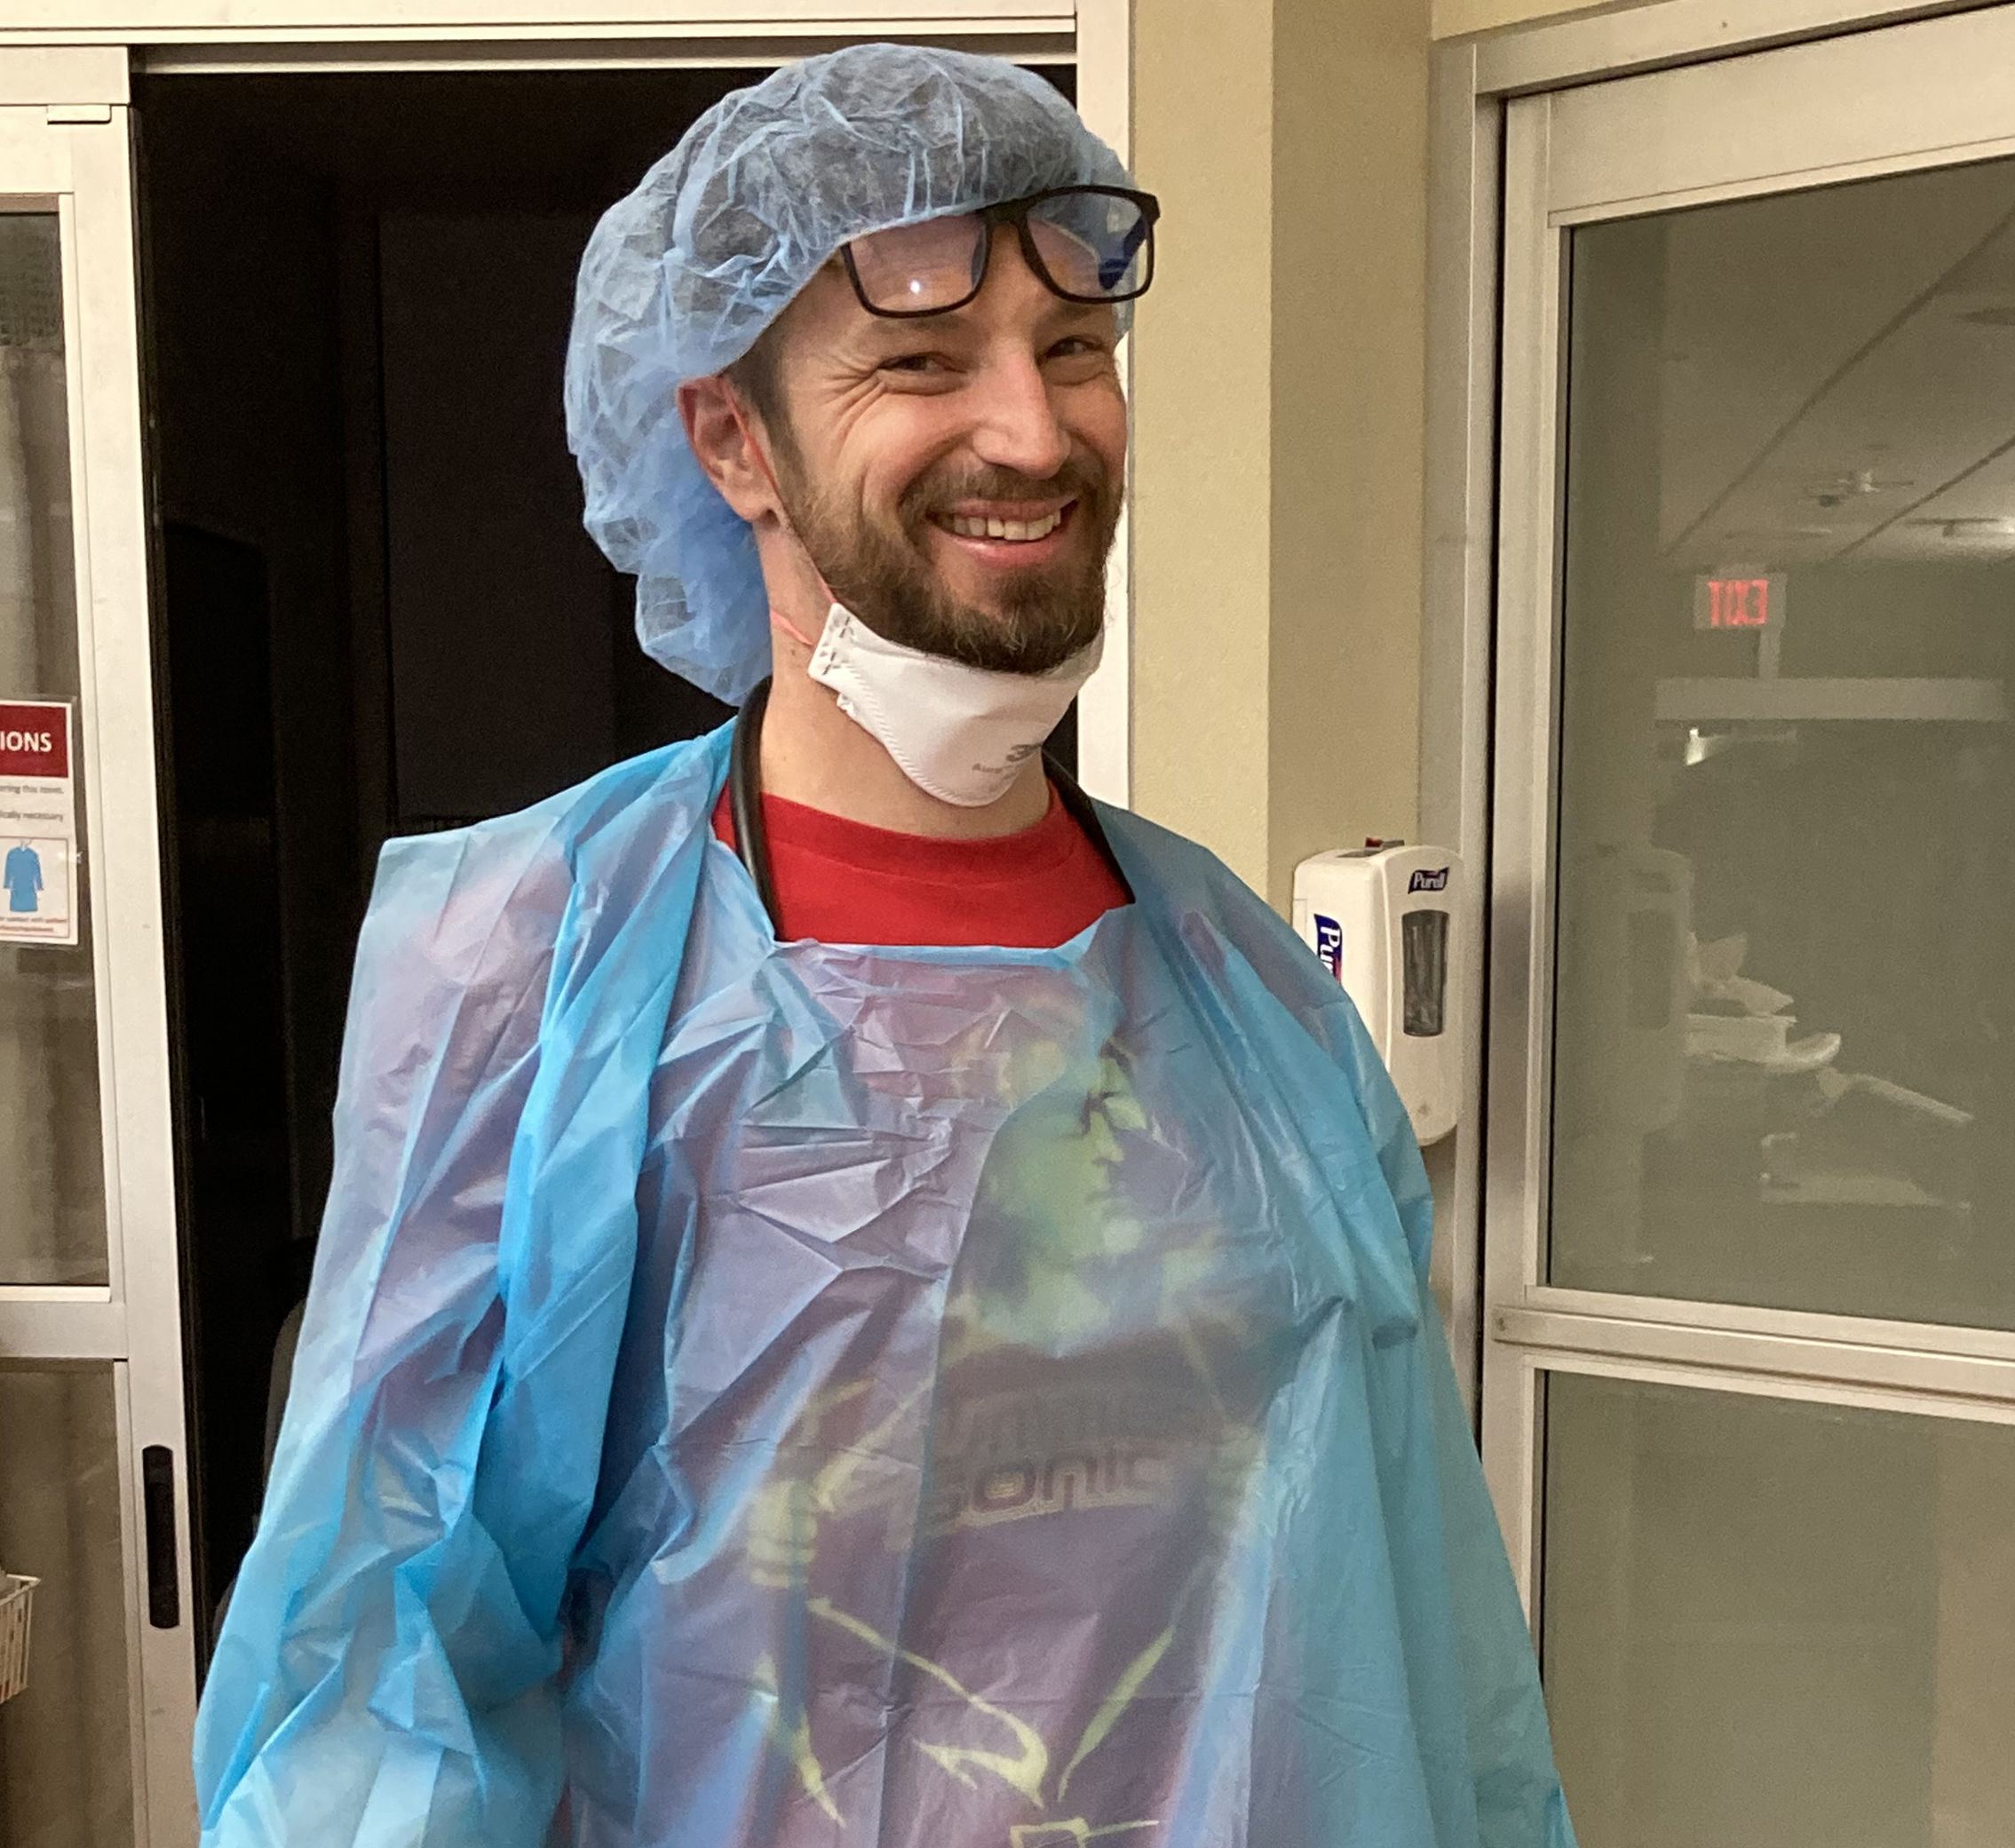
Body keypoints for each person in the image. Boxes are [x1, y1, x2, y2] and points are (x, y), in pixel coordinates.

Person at [193, 45, 1575, 1848]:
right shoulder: (540, 970)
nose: (1031, 428)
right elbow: (379, 1690)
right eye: (922, 363)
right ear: (731, 441)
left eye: (1073, 354)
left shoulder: (1249, 991)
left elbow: (1416, 1644)